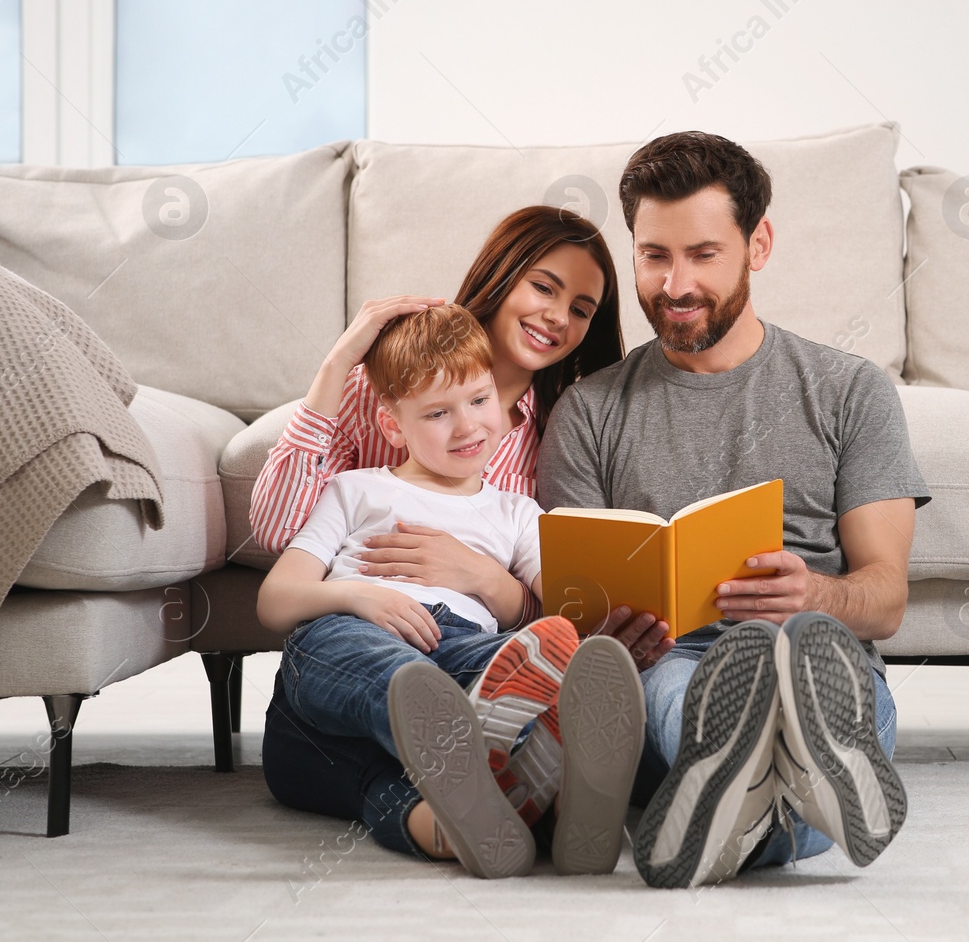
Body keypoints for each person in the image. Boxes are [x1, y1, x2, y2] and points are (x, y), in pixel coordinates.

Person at [537, 132, 931, 887]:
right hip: (672, 661)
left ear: (759, 244)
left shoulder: (851, 392)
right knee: (675, 687)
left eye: (703, 254)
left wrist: (812, 592)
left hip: (817, 657)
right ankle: (786, 806)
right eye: (654, 255)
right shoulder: (589, 412)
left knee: (819, 663)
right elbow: (567, 619)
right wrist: (606, 635)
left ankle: (742, 800)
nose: (675, 283)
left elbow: (885, 600)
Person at [249, 206, 669, 867]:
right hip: (363, 632)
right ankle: (517, 763)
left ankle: (475, 809)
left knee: (467, 691)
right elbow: (278, 554)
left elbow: (556, 610)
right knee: (394, 678)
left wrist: (480, 575)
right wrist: (360, 595)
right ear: (396, 423)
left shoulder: (545, 453)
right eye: (545, 287)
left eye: (583, 307)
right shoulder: (370, 445)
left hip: (461, 647)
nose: (559, 316)